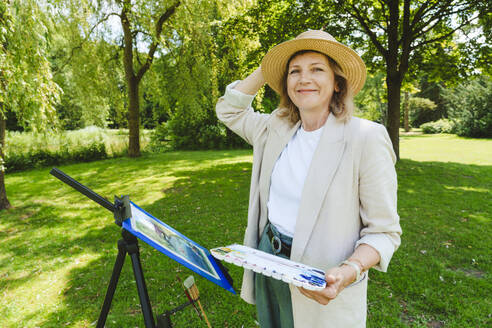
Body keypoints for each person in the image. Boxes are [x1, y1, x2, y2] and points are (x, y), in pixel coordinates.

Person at [215, 30, 402, 328]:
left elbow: (385, 231)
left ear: (337, 82)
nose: (304, 79)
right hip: (268, 260)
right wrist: (268, 67)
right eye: (294, 72)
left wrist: (349, 270)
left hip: (321, 280)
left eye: (317, 69)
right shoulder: (276, 127)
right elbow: (229, 109)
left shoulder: (365, 137)